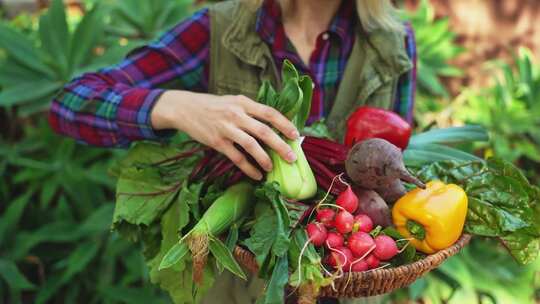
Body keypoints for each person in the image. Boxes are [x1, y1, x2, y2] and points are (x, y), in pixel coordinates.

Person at [49, 0, 416, 303]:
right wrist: (177, 106)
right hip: (236, 290)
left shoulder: (393, 42)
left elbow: (393, 173)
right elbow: (71, 105)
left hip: (351, 277)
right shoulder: (218, 31)